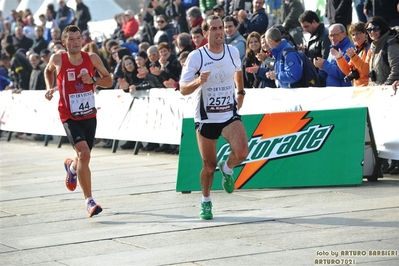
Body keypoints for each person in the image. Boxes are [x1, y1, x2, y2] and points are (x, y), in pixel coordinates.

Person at [179, 15, 248, 220]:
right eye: (214, 29)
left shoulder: (232, 51)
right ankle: (206, 201)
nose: (219, 32)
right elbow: (183, 89)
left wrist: (241, 92)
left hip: (229, 113)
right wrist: (199, 81)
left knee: (242, 152)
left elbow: (238, 70)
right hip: (206, 118)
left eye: (221, 28)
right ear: (206, 32)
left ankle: (227, 169)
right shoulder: (196, 57)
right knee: (208, 166)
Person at [44, 25, 112, 217]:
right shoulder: (58, 58)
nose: (75, 42)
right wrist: (50, 87)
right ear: (64, 42)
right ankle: (89, 201)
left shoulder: (92, 58)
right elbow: (48, 71)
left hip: (89, 115)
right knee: (83, 153)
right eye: (71, 39)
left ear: (82, 40)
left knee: (84, 156)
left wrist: (93, 80)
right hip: (69, 115)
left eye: (78, 38)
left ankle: (71, 167)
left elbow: (108, 80)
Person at [330, 22, 370, 86]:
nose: (355, 37)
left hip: (368, 87)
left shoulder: (369, 49)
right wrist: (340, 58)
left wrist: (354, 56)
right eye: (353, 35)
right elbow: (349, 71)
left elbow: (367, 70)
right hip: (358, 87)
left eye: (358, 33)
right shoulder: (356, 49)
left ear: (365, 34)